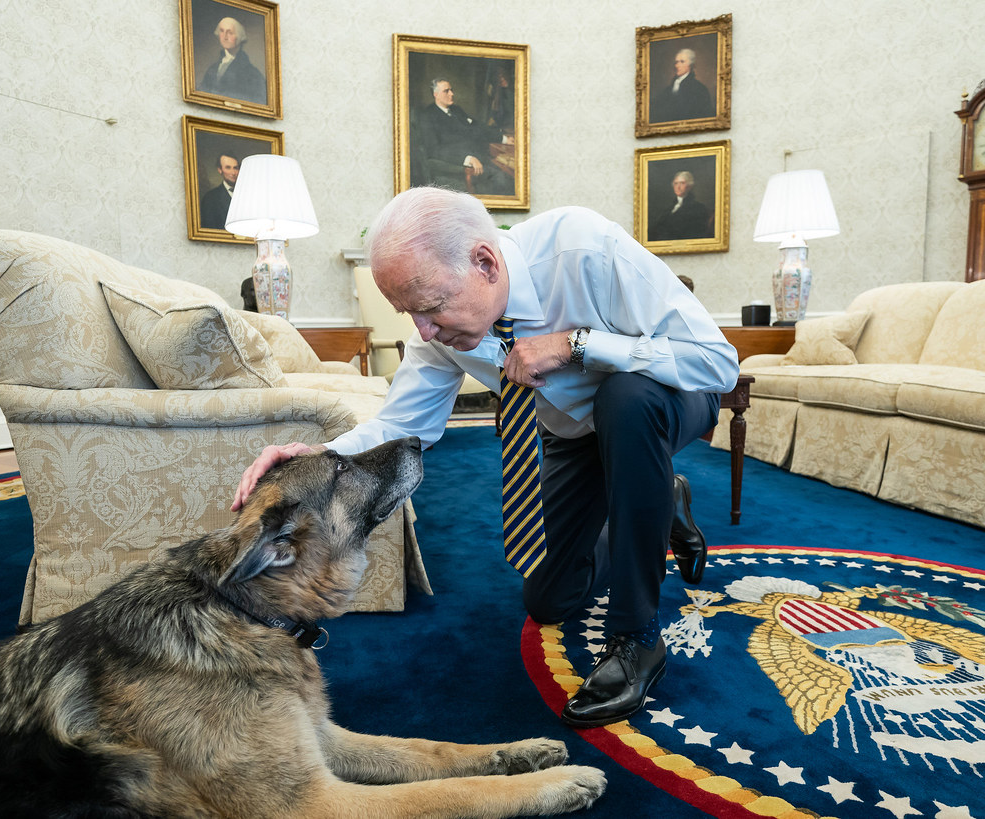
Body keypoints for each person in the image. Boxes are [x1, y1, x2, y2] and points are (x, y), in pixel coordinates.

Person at [232, 187, 739, 728]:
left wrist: (580, 344)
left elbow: (717, 364)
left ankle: (636, 638)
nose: (422, 332)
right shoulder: (439, 331)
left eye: (429, 308)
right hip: (575, 434)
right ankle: (665, 504)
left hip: (667, 399)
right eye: (409, 314)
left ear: (485, 262)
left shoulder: (585, 250)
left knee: (626, 399)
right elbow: (405, 426)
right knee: (549, 600)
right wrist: (318, 455)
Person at [418, 78, 514, 196]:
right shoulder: (427, 116)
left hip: (481, 158)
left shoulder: (456, 110)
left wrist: (503, 138)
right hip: (459, 167)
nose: (452, 94)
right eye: (446, 91)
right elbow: (434, 150)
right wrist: (467, 159)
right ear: (436, 94)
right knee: (503, 179)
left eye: (451, 90)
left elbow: (478, 128)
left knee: (510, 173)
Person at [199, 17, 266, 104]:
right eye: (222, 31)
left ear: (239, 37)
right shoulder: (212, 69)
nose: (225, 37)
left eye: (230, 33)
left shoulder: (252, 73)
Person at [651, 48, 714, 123]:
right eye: (676, 62)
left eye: (682, 62)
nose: (677, 65)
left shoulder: (699, 89)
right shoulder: (668, 89)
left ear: (690, 65)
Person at [650, 171, 712, 241]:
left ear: (689, 186)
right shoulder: (668, 208)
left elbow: (695, 233)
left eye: (682, 183)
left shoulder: (698, 208)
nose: (678, 187)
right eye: (676, 183)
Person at [200, 153, 239, 230]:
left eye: (235, 168)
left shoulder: (248, 196)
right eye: (228, 167)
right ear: (220, 170)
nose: (233, 173)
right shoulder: (210, 198)